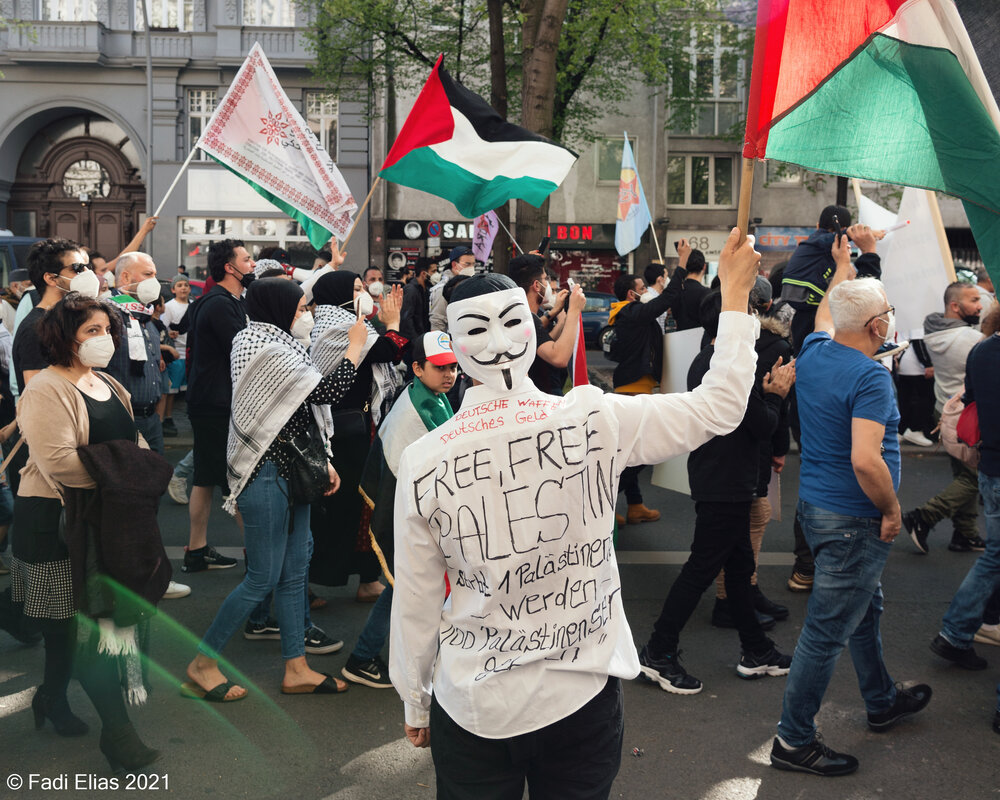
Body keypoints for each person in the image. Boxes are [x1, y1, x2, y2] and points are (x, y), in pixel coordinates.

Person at [390, 227, 761, 798]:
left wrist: (416, 698)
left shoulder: (426, 458)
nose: (499, 339)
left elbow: (415, 600)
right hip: (578, 696)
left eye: (509, 323)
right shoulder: (593, 418)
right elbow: (719, 408)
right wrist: (733, 300)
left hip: (476, 704)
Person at [770, 236, 931, 778]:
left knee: (864, 609)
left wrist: (843, 265)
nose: (890, 318)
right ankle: (793, 742)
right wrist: (891, 511)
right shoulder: (869, 377)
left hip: (817, 510)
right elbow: (867, 460)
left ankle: (881, 699)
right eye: (886, 312)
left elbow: (824, 311)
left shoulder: (816, 350)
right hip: (854, 519)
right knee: (825, 632)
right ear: (877, 327)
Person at [184, 278, 367, 700]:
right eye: (301, 307)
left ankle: (296, 667)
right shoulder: (258, 344)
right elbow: (326, 390)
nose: (307, 314)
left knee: (293, 573)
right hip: (264, 473)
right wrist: (354, 346)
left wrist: (324, 461)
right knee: (263, 577)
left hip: (296, 471)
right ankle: (203, 662)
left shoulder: (283, 344)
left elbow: (301, 411)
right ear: (279, 307)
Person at [13, 293, 161, 770]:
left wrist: (127, 475)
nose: (105, 340)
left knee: (77, 630)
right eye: (92, 331)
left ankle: (50, 699)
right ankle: (117, 735)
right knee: (73, 631)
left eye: (108, 330)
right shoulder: (45, 389)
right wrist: (126, 477)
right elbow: (58, 463)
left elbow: (134, 443)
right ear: (65, 338)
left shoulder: (109, 384)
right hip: (53, 524)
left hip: (105, 522)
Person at [639, 287, 796, 695]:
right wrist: (776, 395)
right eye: (746, 314)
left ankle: (756, 649)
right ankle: (658, 651)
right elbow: (759, 423)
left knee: (740, 569)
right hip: (725, 480)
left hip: (721, 476)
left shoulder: (710, 359)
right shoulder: (728, 367)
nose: (754, 320)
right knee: (702, 568)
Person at [344, 331, 458, 688]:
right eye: (440, 368)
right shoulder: (421, 409)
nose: (449, 374)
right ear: (418, 368)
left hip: (410, 504)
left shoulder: (428, 395)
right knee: (403, 585)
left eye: (453, 367)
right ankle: (362, 657)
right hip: (403, 509)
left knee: (410, 585)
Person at [309, 272, 405, 602]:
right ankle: (312, 581)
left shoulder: (353, 324)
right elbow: (389, 351)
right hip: (338, 432)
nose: (363, 294)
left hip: (363, 426)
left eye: (362, 288)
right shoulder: (334, 327)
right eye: (356, 289)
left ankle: (367, 577)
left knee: (365, 504)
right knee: (338, 508)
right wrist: (392, 324)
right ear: (337, 294)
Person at [927, 318, 999, 719]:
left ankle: (958, 632)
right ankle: (957, 631)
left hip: (989, 465)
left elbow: (973, 397)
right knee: (994, 556)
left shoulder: (982, 350)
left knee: (994, 555)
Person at [182, 239, 255, 575]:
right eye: (247, 258)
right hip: (216, 403)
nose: (252, 264)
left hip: (209, 399)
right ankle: (259, 557)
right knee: (234, 481)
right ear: (230, 267)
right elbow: (245, 352)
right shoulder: (221, 305)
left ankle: (196, 551)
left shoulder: (219, 301)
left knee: (206, 477)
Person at [903, 281, 985, 554]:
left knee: (964, 474)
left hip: (945, 410)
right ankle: (924, 516)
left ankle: (965, 534)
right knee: (973, 478)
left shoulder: (935, 333)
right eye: (974, 300)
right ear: (955, 305)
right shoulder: (971, 340)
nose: (980, 305)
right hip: (967, 415)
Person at [609, 264, 687, 524]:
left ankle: (635, 505)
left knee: (633, 453)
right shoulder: (633, 313)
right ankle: (605, 502)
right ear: (632, 294)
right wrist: (682, 266)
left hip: (633, 387)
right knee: (640, 455)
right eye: (643, 289)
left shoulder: (627, 314)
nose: (648, 292)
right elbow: (666, 299)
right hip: (635, 390)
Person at [781, 205, 882, 353]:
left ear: (817, 225)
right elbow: (864, 299)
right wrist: (869, 250)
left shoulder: (818, 255)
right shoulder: (820, 240)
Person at [104, 252, 166, 455]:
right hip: (121, 420)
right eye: (148, 274)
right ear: (125, 278)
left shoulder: (146, 316)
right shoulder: (106, 315)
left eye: (155, 275)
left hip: (152, 420)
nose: (154, 281)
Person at [509, 253, 585, 396]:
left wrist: (556, 313)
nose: (548, 286)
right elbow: (559, 357)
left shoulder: (520, 316)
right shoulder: (526, 318)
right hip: (537, 400)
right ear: (537, 285)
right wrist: (574, 309)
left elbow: (541, 335)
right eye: (545, 280)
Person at [159, 275, 191, 436]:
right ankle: (167, 418)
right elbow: (163, 328)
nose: (183, 288)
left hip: (189, 353)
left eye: (185, 285)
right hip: (176, 353)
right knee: (171, 390)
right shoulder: (170, 306)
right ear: (173, 289)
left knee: (184, 389)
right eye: (179, 285)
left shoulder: (193, 305)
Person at [429, 245, 476, 332]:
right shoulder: (442, 289)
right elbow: (437, 322)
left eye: (473, 264)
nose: (471, 268)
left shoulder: (470, 285)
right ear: (454, 265)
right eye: (467, 264)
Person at [671, 240, 709, 331]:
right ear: (704, 267)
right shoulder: (707, 293)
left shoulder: (675, 291)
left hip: (679, 339)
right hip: (700, 341)